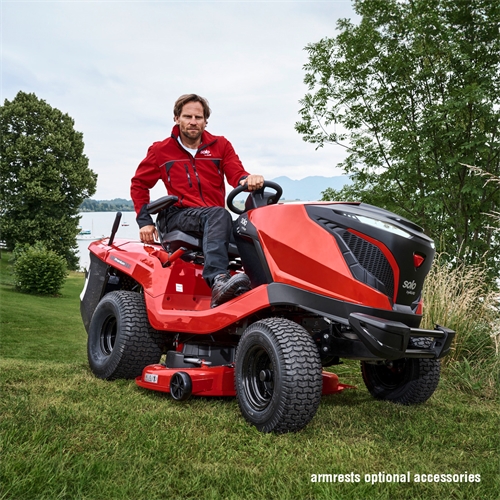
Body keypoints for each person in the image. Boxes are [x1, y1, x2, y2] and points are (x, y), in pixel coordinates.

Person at [131, 94, 264, 307]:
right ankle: (218, 281)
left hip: (213, 218)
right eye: (188, 116)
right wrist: (144, 221)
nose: (193, 122)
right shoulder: (160, 150)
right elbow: (139, 184)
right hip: (177, 215)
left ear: (205, 121)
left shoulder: (221, 145)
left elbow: (236, 174)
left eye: (198, 117)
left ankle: (264, 290)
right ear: (177, 119)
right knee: (219, 214)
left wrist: (248, 180)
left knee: (251, 230)